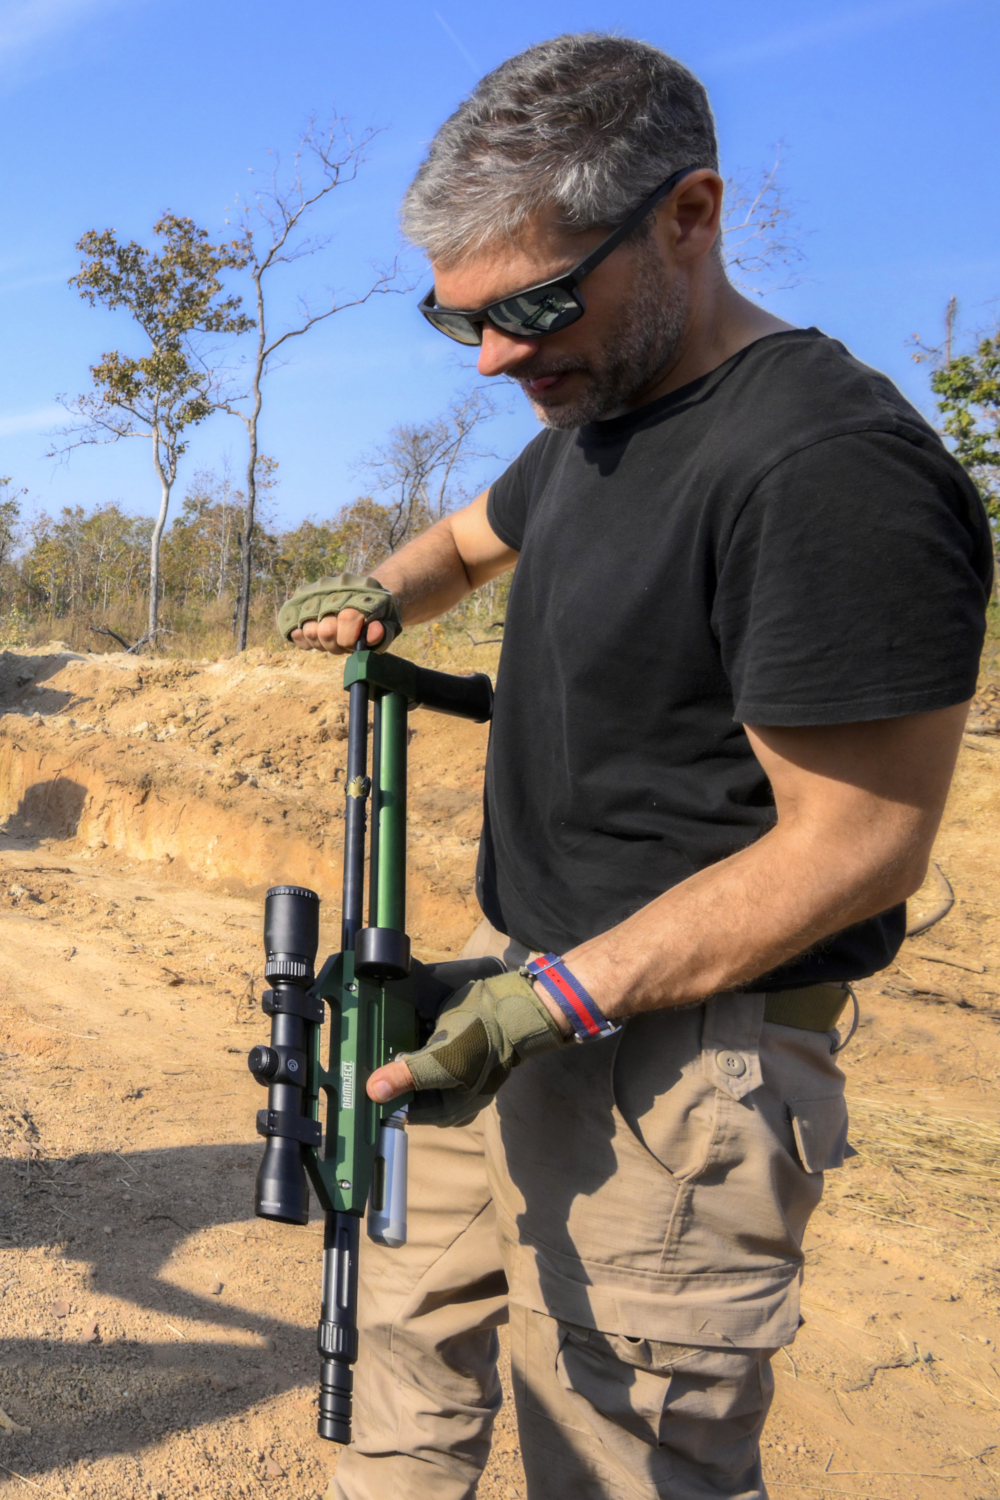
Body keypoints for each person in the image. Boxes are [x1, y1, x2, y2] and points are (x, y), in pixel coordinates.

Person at [280, 33, 993, 1500]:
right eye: (455, 321)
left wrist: (548, 1004)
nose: (494, 358)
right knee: (405, 1363)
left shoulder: (826, 467)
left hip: (685, 1069)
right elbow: (479, 534)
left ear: (691, 213)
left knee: (616, 1454)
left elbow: (855, 846)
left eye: (534, 305)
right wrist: (381, 597)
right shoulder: (592, 415)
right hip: (512, 984)